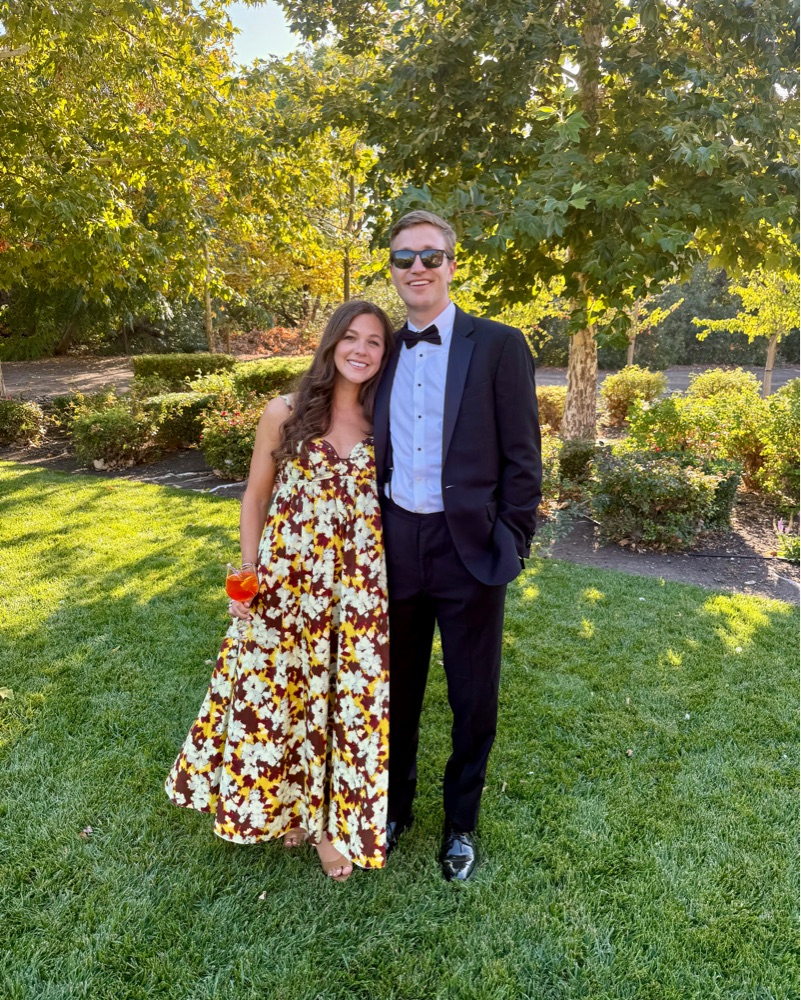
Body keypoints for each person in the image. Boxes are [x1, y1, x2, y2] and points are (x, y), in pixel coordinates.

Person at [165, 300, 396, 882]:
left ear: (384, 354)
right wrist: (247, 575)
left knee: (341, 702)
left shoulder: (386, 420)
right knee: (283, 695)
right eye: (351, 337)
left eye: (374, 341)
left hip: (356, 591)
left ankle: (327, 829)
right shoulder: (285, 411)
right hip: (286, 581)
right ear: (331, 343)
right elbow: (255, 495)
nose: (361, 350)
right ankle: (290, 810)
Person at [374, 210, 542, 881]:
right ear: (392, 269)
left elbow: (523, 458)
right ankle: (394, 809)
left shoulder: (499, 344)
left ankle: (460, 823)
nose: (416, 268)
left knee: (473, 698)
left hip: (469, 545)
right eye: (403, 257)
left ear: (450, 263)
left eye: (429, 256)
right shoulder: (380, 349)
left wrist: (513, 541)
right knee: (395, 691)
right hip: (393, 542)